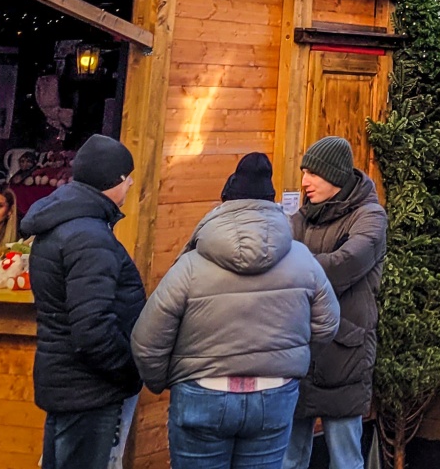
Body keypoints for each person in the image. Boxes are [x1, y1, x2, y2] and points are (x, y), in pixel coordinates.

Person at [131, 153, 343, 468]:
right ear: (272, 205)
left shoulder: (191, 265)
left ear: (224, 204)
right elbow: (328, 324)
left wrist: (166, 380)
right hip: (274, 394)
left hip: (201, 393)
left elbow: (146, 340)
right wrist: (288, 358)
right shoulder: (303, 260)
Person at [23, 134, 145, 469]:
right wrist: (128, 371)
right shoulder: (90, 236)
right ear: (112, 181)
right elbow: (92, 327)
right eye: (127, 177)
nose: (131, 183)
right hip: (89, 387)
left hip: (67, 381)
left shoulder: (64, 224)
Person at [287, 136, 388, 469]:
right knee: (289, 459)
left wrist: (294, 266)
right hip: (299, 354)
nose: (304, 183)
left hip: (345, 356)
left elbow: (346, 263)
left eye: (313, 174)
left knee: (345, 460)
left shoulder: (370, 217)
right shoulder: (301, 218)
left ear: (335, 176)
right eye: (304, 173)